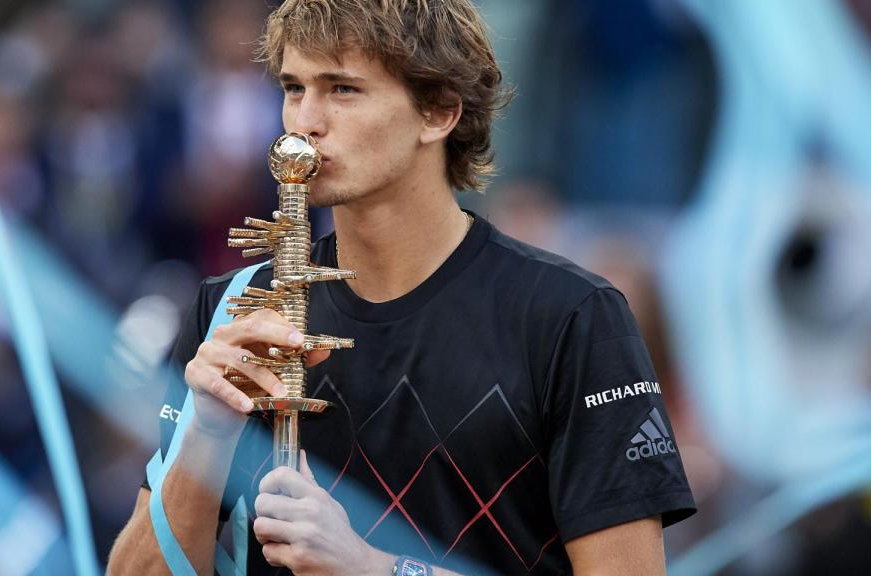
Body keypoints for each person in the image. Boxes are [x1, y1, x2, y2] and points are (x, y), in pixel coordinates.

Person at [108, 1, 696, 574]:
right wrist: (206, 435)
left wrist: (373, 568)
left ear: (439, 112)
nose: (303, 122)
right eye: (293, 88)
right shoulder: (232, 309)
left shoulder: (571, 317)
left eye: (342, 89)